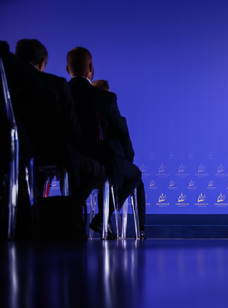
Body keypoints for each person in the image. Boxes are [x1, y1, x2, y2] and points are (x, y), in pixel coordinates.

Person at [13, 39, 106, 204]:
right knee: (98, 170)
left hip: (13, 157)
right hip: (52, 156)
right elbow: (74, 132)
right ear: (42, 64)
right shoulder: (56, 85)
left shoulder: (8, 85)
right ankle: (67, 214)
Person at [66, 47, 141, 239]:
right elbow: (122, 134)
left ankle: (69, 218)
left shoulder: (59, 92)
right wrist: (127, 160)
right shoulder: (105, 97)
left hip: (67, 158)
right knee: (135, 174)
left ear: (68, 69)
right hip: (102, 162)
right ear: (91, 67)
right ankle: (102, 217)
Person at [91, 79, 146, 240]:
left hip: (92, 166)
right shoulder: (116, 118)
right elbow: (127, 147)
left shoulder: (84, 116)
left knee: (110, 183)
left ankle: (105, 223)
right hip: (112, 164)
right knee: (136, 176)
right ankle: (140, 230)